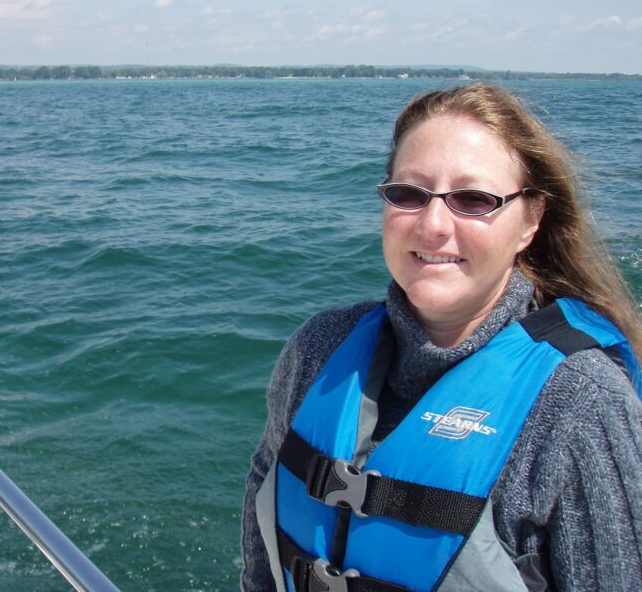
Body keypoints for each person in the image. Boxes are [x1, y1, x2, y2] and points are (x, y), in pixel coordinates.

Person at [241, 83, 641, 591]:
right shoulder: (317, 350)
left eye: (473, 199)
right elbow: (262, 527)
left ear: (531, 220)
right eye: (409, 193)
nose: (433, 224)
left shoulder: (583, 404)